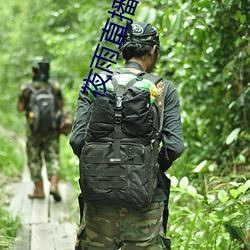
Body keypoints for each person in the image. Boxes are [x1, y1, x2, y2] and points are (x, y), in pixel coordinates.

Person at [70, 22, 184, 249]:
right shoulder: (163, 88)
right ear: (153, 50)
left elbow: (77, 140)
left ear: (124, 49)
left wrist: (101, 165)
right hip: (145, 205)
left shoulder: (95, 84)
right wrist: (148, 167)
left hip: (98, 201)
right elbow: (174, 147)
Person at [17, 57, 64, 202]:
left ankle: (39, 190)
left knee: (34, 159)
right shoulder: (54, 86)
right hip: (52, 129)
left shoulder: (27, 88)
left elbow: (19, 109)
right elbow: (61, 104)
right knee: (53, 157)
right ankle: (54, 186)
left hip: (33, 131)